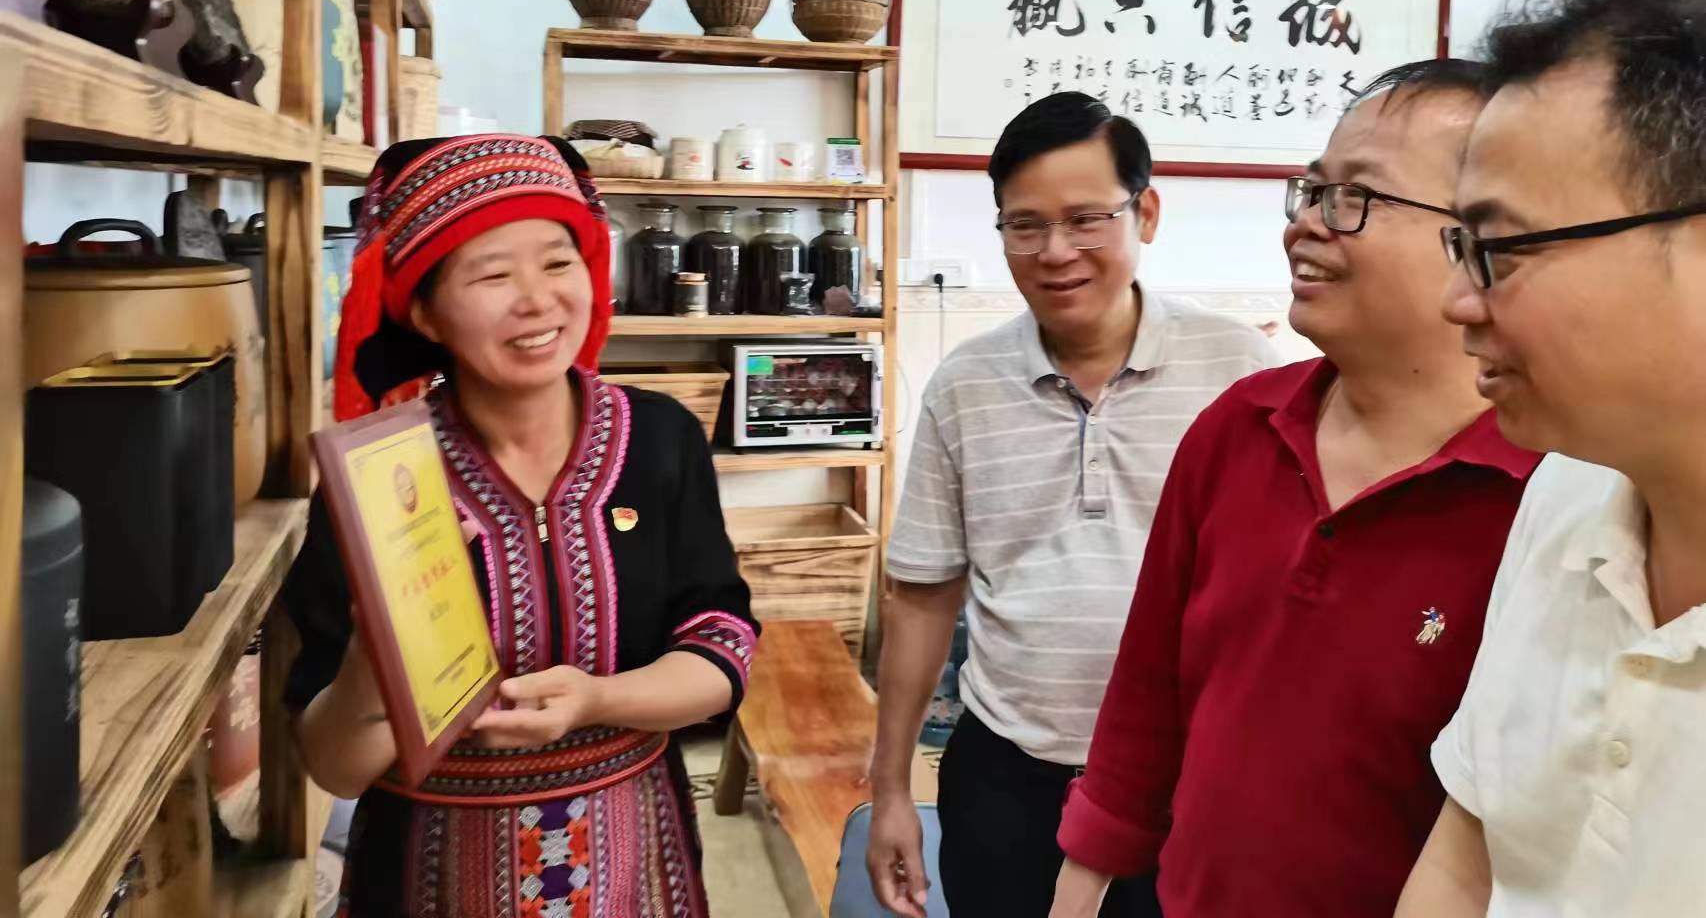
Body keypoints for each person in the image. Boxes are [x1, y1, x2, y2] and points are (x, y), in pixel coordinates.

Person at [1050, 60, 1542, 918]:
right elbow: (1147, 694)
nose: (1306, 225)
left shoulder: (1547, 490)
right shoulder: (1240, 428)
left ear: (1480, 239)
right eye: (1311, 191)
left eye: (1355, 198)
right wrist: (1081, 885)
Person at [284, 134, 757, 918]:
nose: (537, 300)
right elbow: (336, 768)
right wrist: (373, 662)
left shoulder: (660, 438)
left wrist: (597, 700)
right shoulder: (378, 479)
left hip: (633, 868)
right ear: (425, 311)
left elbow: (722, 647)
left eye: (558, 262)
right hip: (428, 878)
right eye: (493, 274)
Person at [867, 92, 1277, 918]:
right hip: (1007, 777)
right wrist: (889, 791)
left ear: (1145, 214)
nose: (1055, 253)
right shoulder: (963, 385)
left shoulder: (1238, 369)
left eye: (1086, 219)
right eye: (1025, 226)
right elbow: (922, 598)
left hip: (1187, 782)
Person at [1399, 0, 1706, 916]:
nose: (1457, 301)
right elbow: (1473, 849)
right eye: (1463, 248)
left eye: (1499, 248)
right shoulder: (1567, 486)